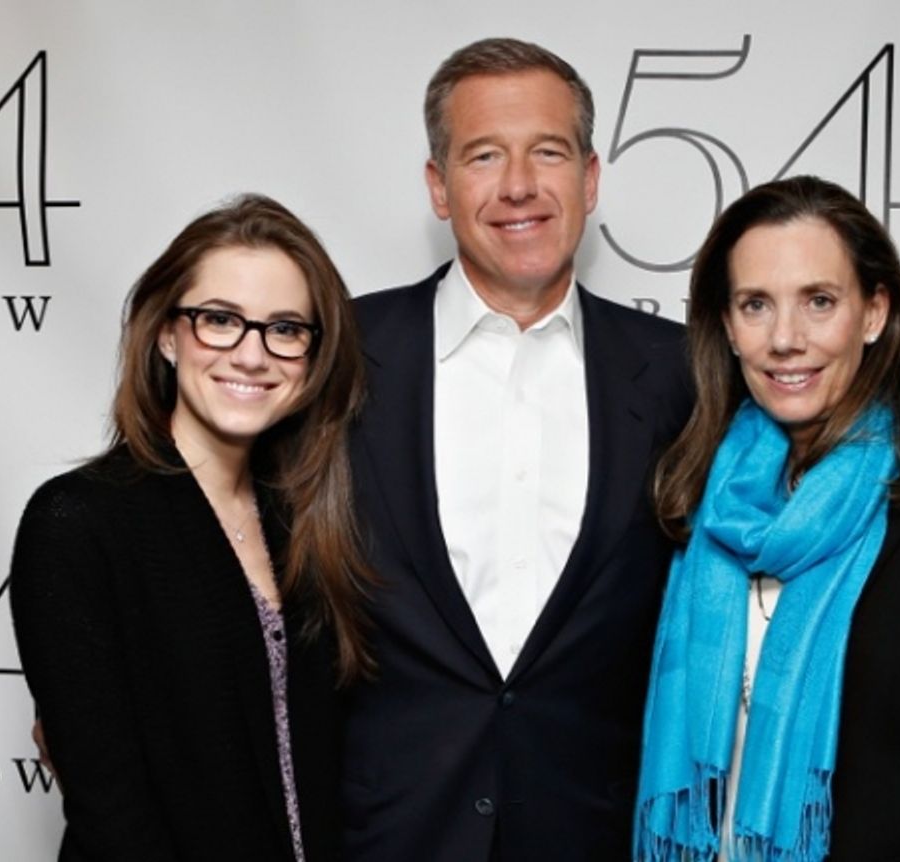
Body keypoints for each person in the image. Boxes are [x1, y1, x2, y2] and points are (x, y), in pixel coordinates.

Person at [635, 175, 900, 861]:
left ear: (873, 313)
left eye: (819, 302)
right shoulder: (691, 491)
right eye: (755, 305)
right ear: (726, 324)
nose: (785, 339)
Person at [338, 38, 693, 861]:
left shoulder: (684, 374)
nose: (520, 186)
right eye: (484, 155)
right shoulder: (340, 355)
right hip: (387, 836)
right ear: (438, 185)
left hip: (595, 833)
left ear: (591, 178)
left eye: (548, 152)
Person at [9, 194, 371, 861]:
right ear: (167, 335)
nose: (253, 354)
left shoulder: (308, 524)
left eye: (285, 328)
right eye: (220, 320)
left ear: (313, 357)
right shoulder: (78, 522)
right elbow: (111, 810)